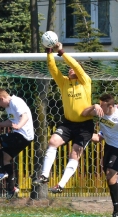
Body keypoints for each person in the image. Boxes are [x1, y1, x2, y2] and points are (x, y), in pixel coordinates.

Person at [32, 42, 94, 193]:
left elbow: (77, 66)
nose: (71, 69)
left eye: (74, 67)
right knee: (53, 141)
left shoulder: (85, 82)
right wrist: (49, 53)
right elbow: (53, 69)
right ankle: (45, 175)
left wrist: (61, 52)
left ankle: (61, 185)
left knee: (74, 153)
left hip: (85, 126)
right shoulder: (64, 82)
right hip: (68, 124)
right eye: (69, 68)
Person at [0, 88, 34, 200]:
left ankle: (0, 171)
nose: (0, 105)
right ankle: (12, 188)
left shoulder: (16, 102)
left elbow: (25, 116)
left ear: (2, 98)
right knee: (6, 159)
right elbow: (11, 122)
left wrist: (19, 126)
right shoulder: (9, 107)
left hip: (22, 135)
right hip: (22, 136)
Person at [81, 93, 118, 217]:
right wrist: (94, 106)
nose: (99, 108)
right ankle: (116, 211)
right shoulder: (101, 113)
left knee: (110, 176)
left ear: (110, 106)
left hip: (117, 149)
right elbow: (84, 114)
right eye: (99, 104)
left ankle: (116, 212)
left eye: (102, 105)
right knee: (110, 180)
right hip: (109, 147)